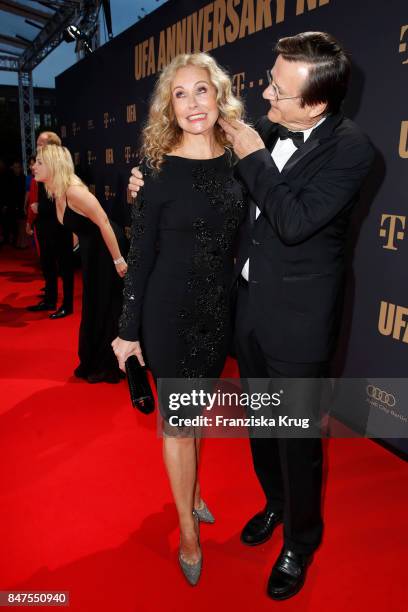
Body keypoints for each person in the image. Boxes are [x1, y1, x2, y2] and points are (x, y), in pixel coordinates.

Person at [129, 33, 375, 600]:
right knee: (263, 429)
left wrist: (254, 155)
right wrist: (151, 183)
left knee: (299, 438)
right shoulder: (263, 130)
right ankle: (274, 503)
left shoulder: (353, 150)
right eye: (269, 79)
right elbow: (207, 177)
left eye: (278, 90)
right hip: (247, 313)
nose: (264, 93)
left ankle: (300, 541)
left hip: (299, 322)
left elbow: (292, 219)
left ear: (314, 104)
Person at [112, 52, 246, 586]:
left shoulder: (240, 159)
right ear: (169, 106)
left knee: (194, 416)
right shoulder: (155, 171)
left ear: (219, 96)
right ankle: (188, 532)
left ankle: (192, 493)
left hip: (217, 312)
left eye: (201, 90)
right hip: (169, 313)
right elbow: (140, 255)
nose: (192, 103)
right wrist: (127, 330)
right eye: (180, 93)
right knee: (180, 423)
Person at [33, 144, 128, 384]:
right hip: (92, 250)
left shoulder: (74, 191)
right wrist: (77, 245)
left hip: (107, 249)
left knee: (106, 303)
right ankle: (94, 358)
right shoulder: (56, 191)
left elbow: (104, 222)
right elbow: (77, 223)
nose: (33, 166)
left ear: (53, 166)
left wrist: (118, 260)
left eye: (39, 163)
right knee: (94, 303)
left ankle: (110, 362)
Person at [27, 132, 75, 319]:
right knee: (47, 264)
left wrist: (42, 207)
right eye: (38, 143)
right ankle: (49, 299)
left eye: (41, 143)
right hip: (44, 225)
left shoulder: (62, 167)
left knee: (65, 266)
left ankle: (67, 305)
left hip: (60, 225)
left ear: (53, 146)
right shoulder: (40, 166)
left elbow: (62, 197)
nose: (38, 146)